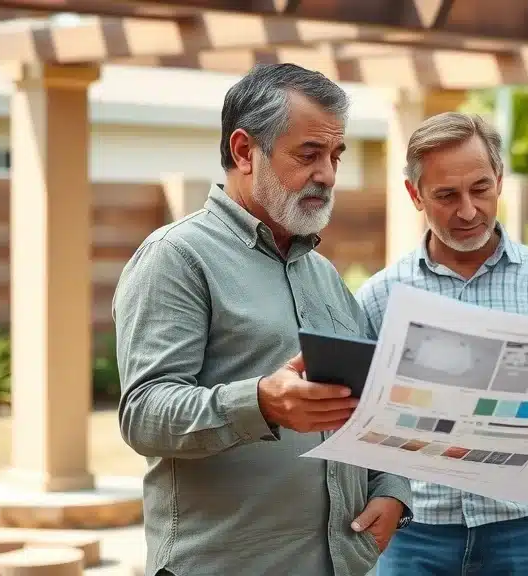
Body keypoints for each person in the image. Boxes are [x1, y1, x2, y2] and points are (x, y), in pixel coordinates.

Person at [113, 63, 412, 576]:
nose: (328, 174)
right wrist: (261, 403)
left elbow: (373, 404)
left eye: (335, 156)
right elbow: (143, 414)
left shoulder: (323, 275)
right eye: (309, 154)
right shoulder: (177, 258)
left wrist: (392, 491)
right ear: (244, 151)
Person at [355, 111, 528, 575]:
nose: (468, 211)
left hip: (519, 529)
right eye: (447, 195)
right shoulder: (380, 298)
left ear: (499, 180)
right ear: (415, 195)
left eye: (480, 189)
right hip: (413, 534)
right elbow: (356, 420)